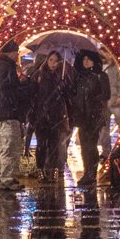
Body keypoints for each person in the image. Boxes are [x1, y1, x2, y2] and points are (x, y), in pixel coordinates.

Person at [0, 40, 31, 192]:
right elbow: (7, 90)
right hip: (6, 114)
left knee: (1, 147)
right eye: (17, 52)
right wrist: (23, 87)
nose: (17, 55)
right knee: (9, 147)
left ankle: (0, 178)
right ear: (12, 52)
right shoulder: (6, 66)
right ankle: (7, 179)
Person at [27, 51, 72, 180]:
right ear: (47, 60)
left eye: (56, 61)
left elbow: (68, 97)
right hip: (41, 116)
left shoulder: (62, 76)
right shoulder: (39, 75)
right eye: (51, 60)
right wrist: (33, 114)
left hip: (56, 117)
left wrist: (64, 87)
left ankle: (53, 171)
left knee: (54, 145)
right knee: (41, 145)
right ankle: (40, 170)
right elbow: (32, 96)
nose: (53, 63)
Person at [69, 49, 111, 188]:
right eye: (84, 59)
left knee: (91, 145)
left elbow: (106, 94)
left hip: (94, 116)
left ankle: (91, 174)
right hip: (82, 116)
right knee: (84, 146)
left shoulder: (101, 75)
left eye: (89, 59)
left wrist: (93, 99)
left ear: (94, 60)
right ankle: (87, 171)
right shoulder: (80, 77)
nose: (86, 61)